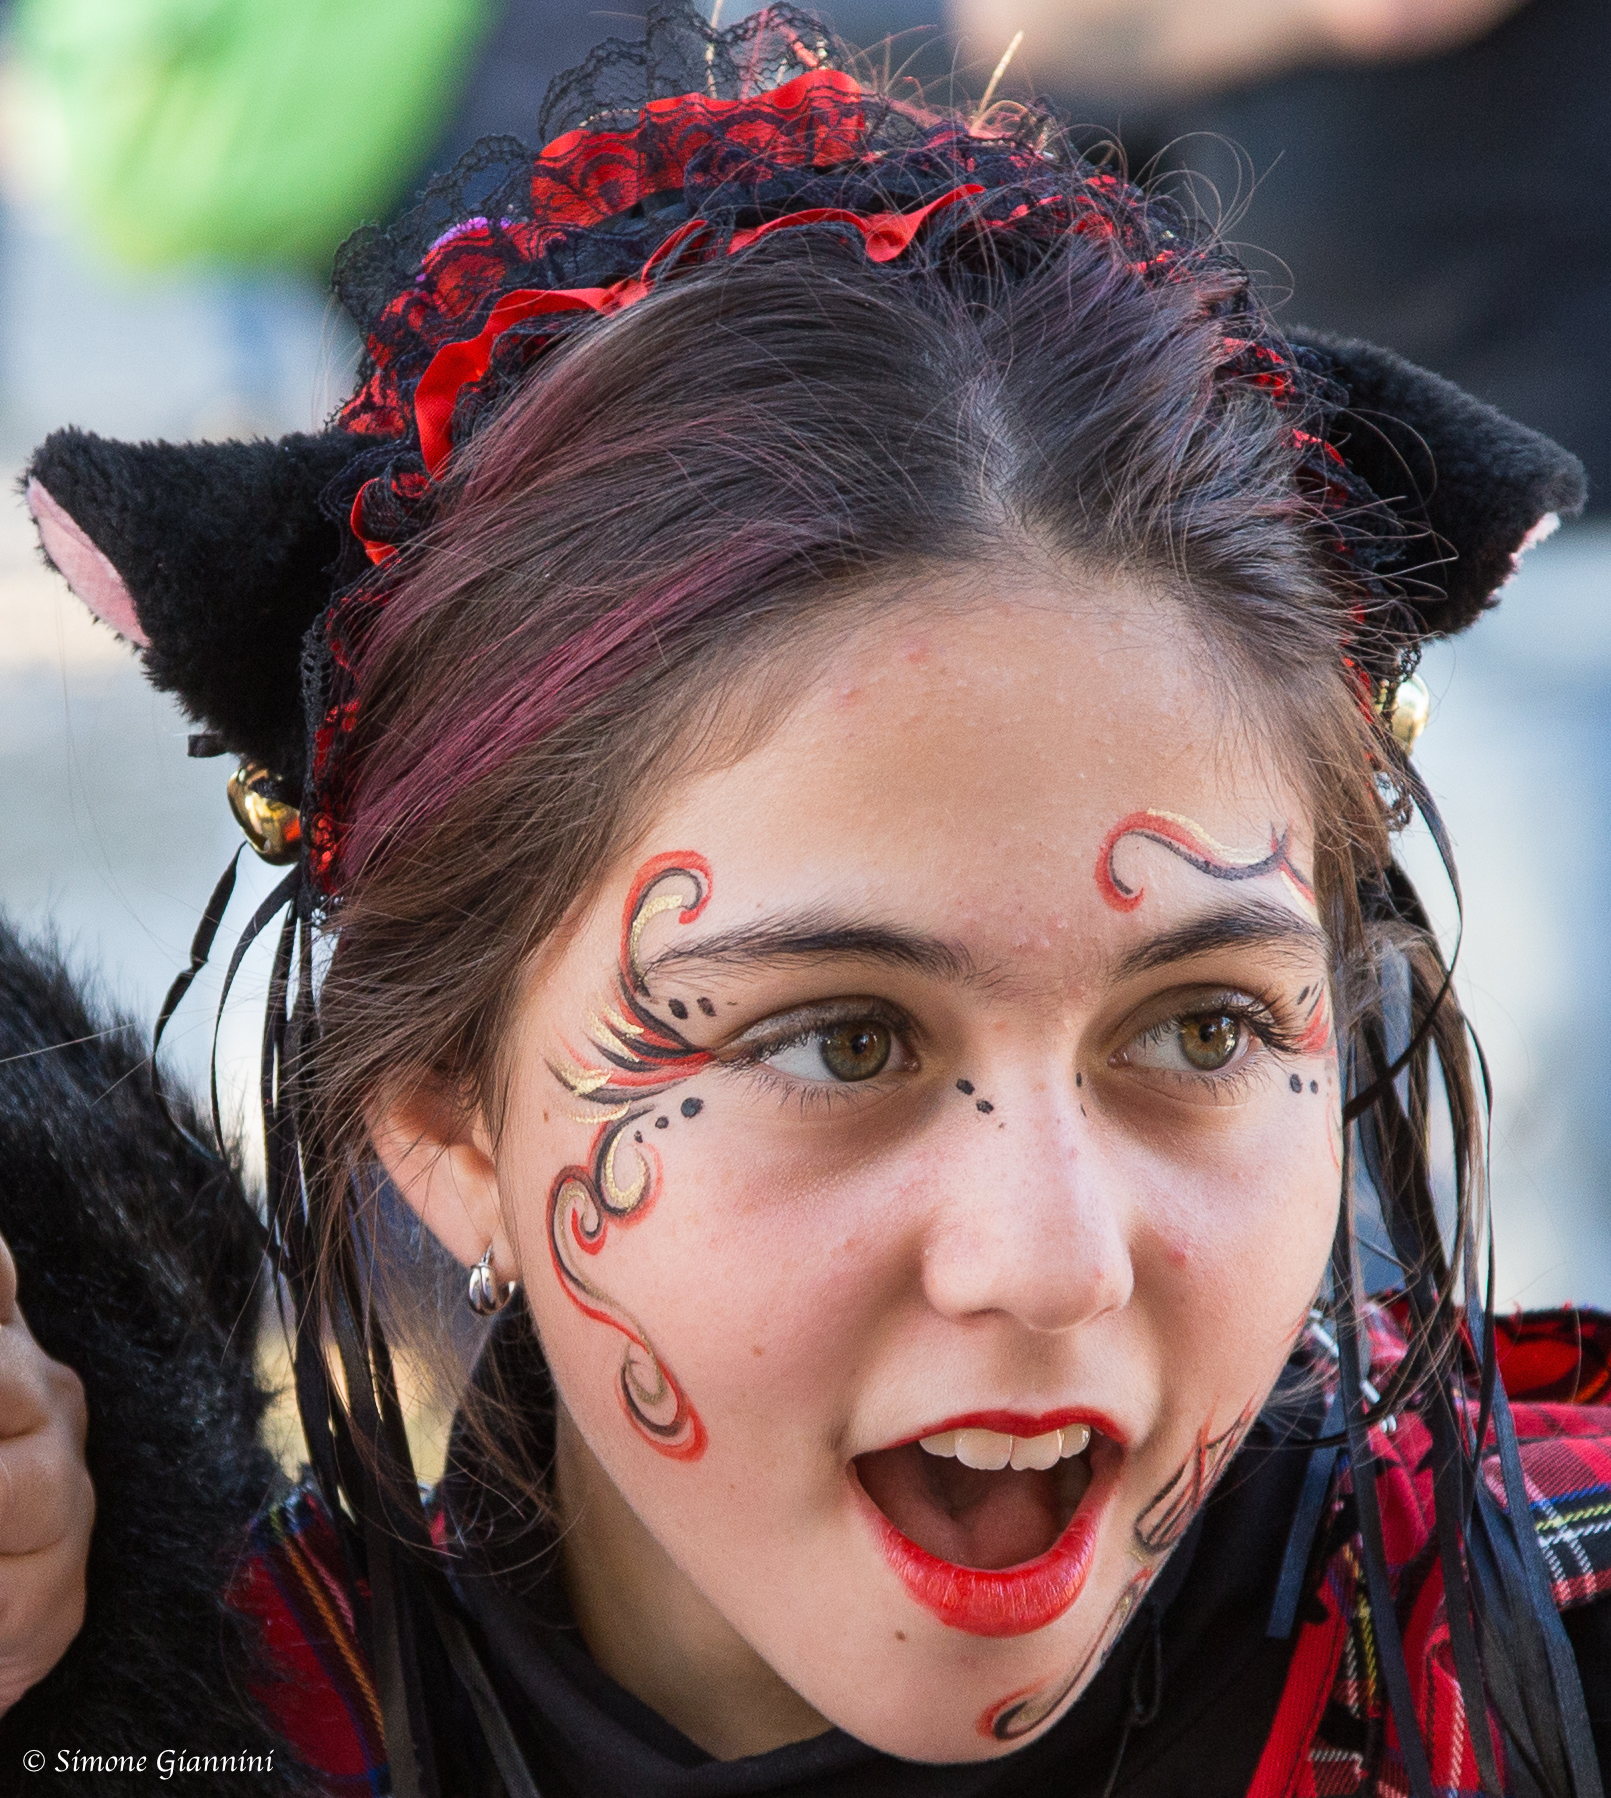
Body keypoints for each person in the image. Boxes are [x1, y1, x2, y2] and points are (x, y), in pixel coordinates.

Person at [7, 6, 1611, 1791]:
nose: (1053, 1259)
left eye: (1203, 1023)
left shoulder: (1554, 1647)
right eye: (845, 1039)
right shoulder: (185, 1736)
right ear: (444, 1104)